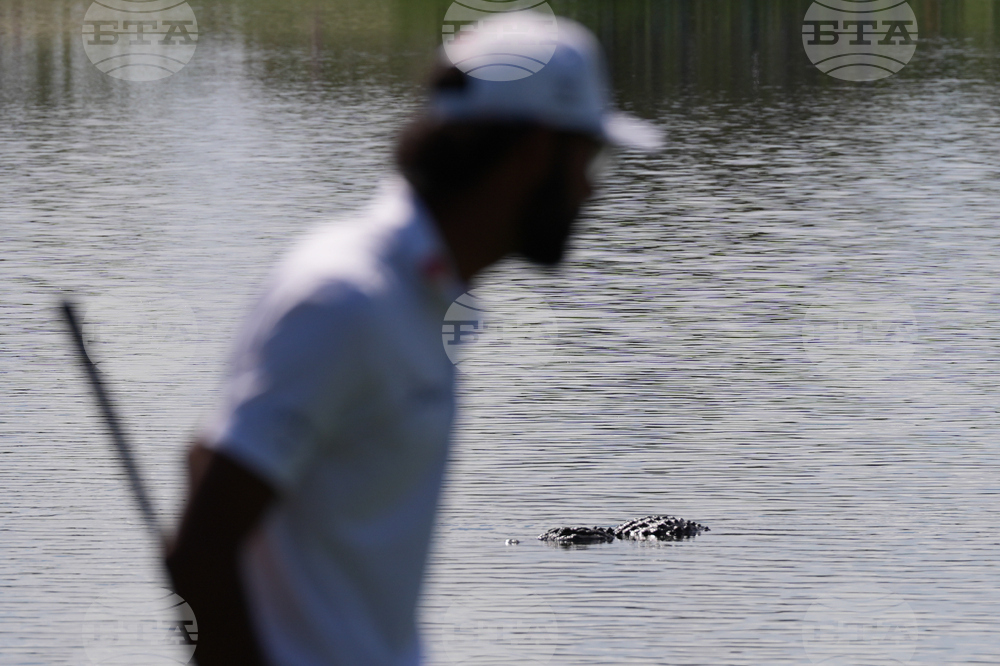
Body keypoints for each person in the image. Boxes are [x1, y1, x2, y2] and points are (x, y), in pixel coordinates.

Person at [165, 14, 660, 666]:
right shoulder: (347, 298)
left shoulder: (417, 300)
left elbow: (208, 465)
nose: (592, 188)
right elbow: (203, 544)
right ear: (537, 151)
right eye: (588, 157)